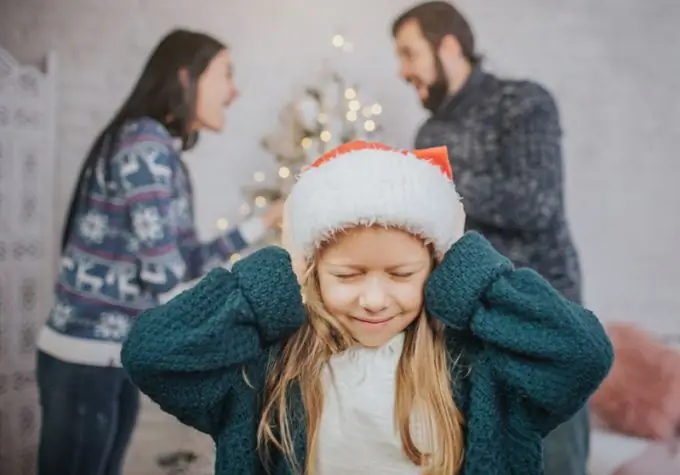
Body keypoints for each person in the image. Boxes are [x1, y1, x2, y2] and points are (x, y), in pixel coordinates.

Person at [121, 140, 613, 475]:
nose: (374, 299)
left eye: (401, 275)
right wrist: (270, 280)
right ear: (311, 272)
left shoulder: (474, 367)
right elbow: (152, 354)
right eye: (348, 275)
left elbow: (583, 354)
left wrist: (473, 276)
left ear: (438, 271)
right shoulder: (269, 369)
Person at [35, 29, 284, 475]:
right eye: (226, 74)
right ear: (187, 77)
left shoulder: (160, 151)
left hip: (112, 353)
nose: (235, 90)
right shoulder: (145, 147)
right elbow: (166, 276)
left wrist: (261, 224)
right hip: (86, 354)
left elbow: (182, 259)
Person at [391, 2, 590, 474]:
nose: (402, 70)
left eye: (408, 53)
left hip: (541, 311)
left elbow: (535, 203)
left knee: (555, 458)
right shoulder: (429, 130)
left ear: (449, 46)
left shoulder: (524, 101)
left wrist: (438, 180)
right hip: (468, 323)